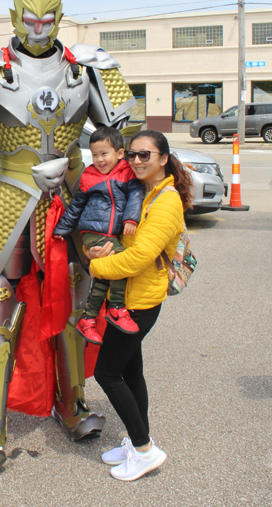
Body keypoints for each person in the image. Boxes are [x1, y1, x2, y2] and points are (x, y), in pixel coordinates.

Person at [86, 130, 193, 482]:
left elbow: (139, 258)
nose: (136, 161)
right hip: (129, 297)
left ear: (163, 158)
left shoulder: (166, 201)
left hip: (139, 302)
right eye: (131, 155)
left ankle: (146, 450)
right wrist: (100, 248)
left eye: (145, 155)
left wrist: (95, 267)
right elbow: (122, 241)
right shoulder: (146, 194)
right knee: (131, 373)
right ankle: (136, 441)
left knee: (107, 373)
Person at [53, 125, 144, 342]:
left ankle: (88, 318)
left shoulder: (126, 173)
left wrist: (131, 218)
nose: (99, 160)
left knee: (105, 274)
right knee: (121, 261)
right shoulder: (90, 175)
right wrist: (63, 228)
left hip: (112, 233)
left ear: (120, 154)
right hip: (93, 231)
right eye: (95, 155)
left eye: (104, 154)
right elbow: (76, 206)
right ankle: (116, 307)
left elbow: (136, 195)